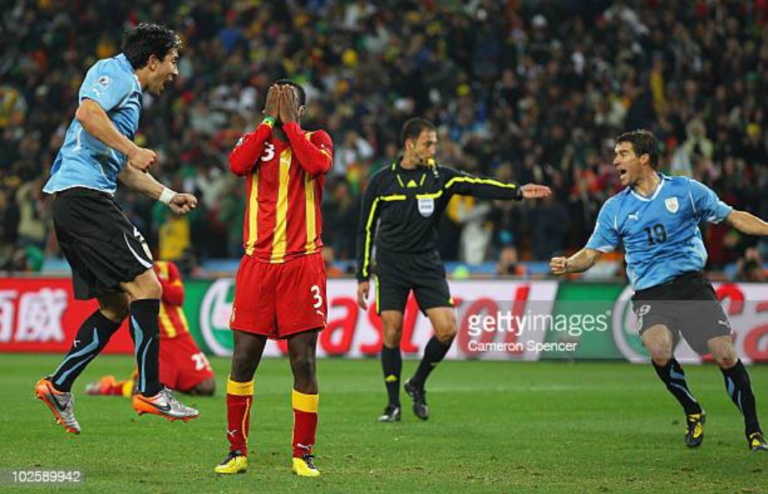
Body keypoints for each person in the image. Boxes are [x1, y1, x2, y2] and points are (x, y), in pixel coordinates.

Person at [550, 130, 768, 451]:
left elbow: (732, 217)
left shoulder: (686, 190)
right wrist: (569, 264)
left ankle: (754, 431)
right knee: (659, 351)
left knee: (724, 354)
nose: (614, 161)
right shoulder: (615, 208)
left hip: (691, 285)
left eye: (622, 153)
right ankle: (692, 410)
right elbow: (592, 252)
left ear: (644, 158)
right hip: (651, 292)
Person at [34, 23, 200, 435]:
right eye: (173, 62)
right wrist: (131, 147)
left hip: (75, 203)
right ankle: (150, 389)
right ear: (152, 61)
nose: (175, 72)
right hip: (85, 199)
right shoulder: (116, 74)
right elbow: (86, 113)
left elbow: (124, 169)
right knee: (149, 288)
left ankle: (58, 385)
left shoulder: (129, 98)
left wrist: (166, 195)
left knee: (116, 305)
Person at [356, 118, 551, 423]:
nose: (434, 149)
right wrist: (362, 274)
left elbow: (476, 185)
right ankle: (392, 405)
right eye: (428, 143)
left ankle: (417, 383)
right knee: (392, 330)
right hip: (392, 266)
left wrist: (516, 192)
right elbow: (365, 230)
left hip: (426, 264)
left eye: (435, 143)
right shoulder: (382, 181)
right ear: (410, 145)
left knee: (447, 329)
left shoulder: (440, 177)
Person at [214, 81, 333, 477]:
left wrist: (290, 125)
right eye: (275, 102)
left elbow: (317, 166)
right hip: (258, 265)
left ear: (302, 109)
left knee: (303, 361)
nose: (281, 109)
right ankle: (236, 451)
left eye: (289, 103)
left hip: (302, 265)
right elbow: (236, 165)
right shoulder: (256, 140)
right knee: (244, 358)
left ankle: (303, 453)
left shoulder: (317, 139)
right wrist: (268, 121)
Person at [85, 261, 215, 397]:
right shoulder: (129, 268)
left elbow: (178, 298)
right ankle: (109, 387)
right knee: (149, 389)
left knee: (206, 388)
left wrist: (154, 280)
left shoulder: (166, 268)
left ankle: (174, 380)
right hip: (156, 337)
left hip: (180, 336)